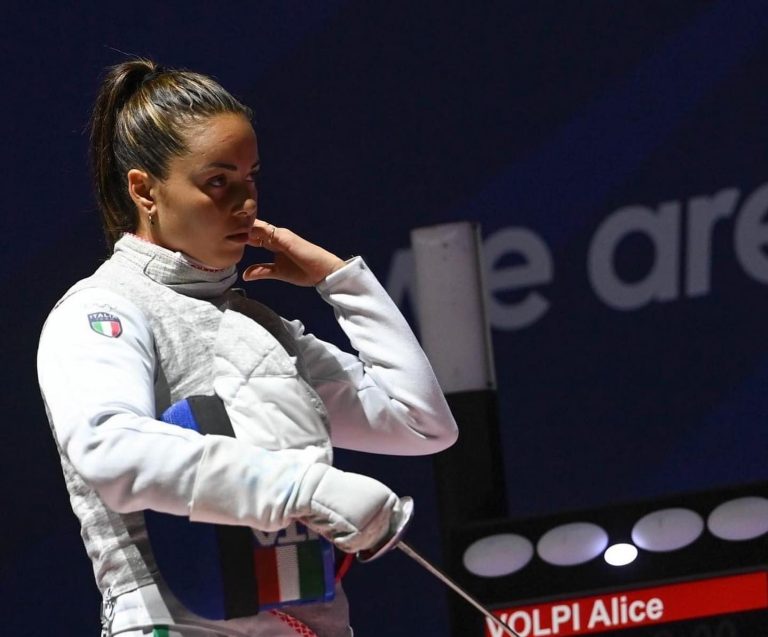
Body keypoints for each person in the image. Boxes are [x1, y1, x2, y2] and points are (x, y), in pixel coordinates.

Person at [36, 59, 458, 637]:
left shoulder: (262, 326)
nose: (246, 202)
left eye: (250, 177)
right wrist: (307, 488)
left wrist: (344, 282)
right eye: (217, 182)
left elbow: (423, 425)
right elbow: (109, 448)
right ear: (145, 190)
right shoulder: (100, 309)